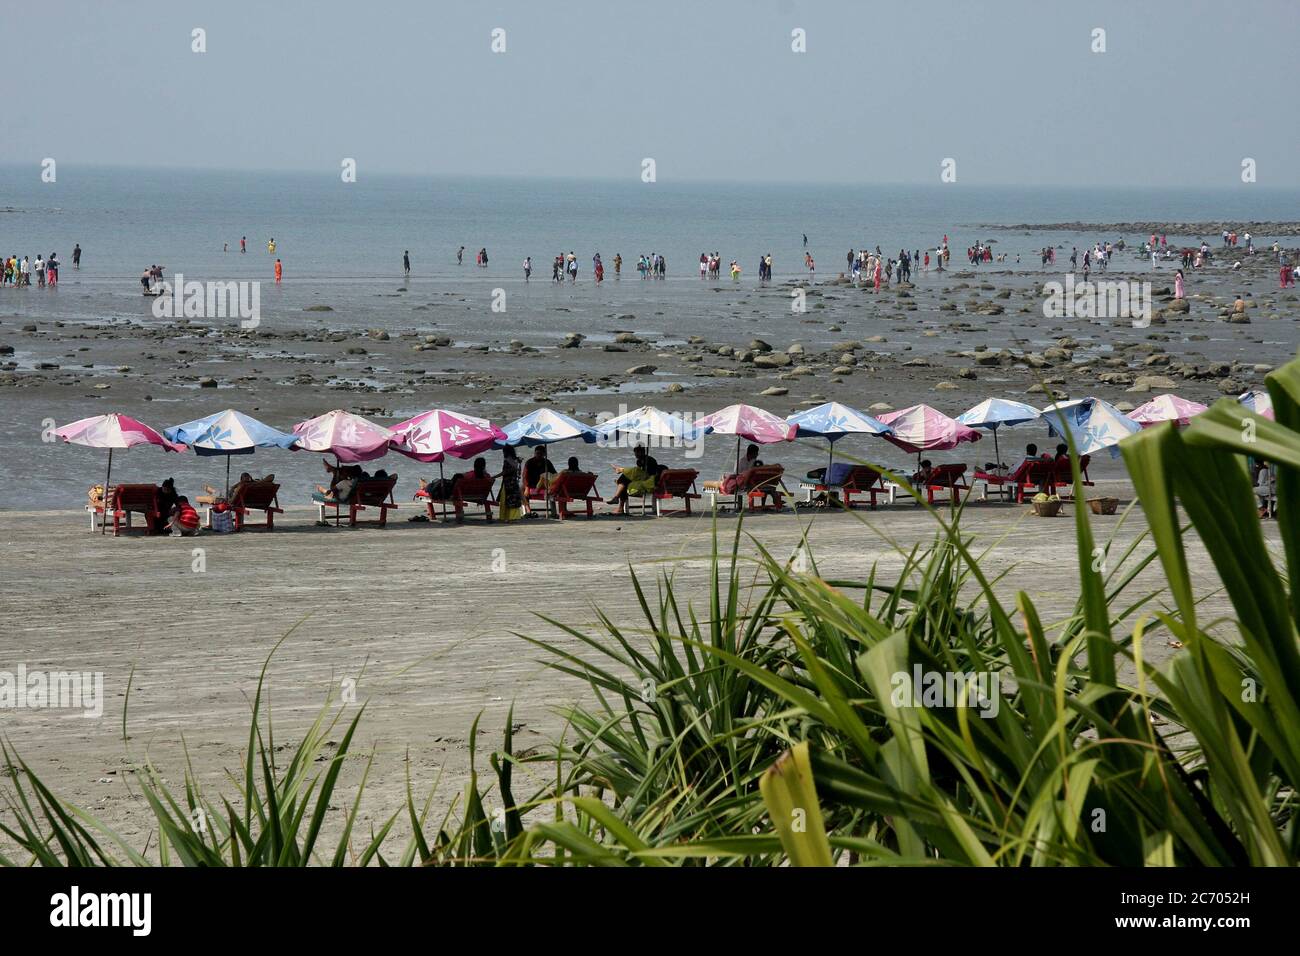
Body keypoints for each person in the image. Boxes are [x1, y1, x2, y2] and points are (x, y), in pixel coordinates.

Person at [607, 445, 660, 515]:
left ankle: (619, 504)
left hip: (649, 483)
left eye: (638, 453)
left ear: (643, 452)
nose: (636, 455)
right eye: (635, 453)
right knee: (624, 482)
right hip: (644, 480)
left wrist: (621, 470)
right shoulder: (640, 461)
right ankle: (618, 501)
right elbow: (639, 474)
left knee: (624, 479)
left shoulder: (648, 460)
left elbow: (642, 474)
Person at [496, 446, 525, 522]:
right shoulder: (517, 460)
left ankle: (505, 517)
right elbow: (518, 473)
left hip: (507, 483)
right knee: (514, 500)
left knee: (505, 500)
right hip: (514, 483)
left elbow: (505, 472)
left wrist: (495, 476)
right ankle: (514, 517)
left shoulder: (507, 460)